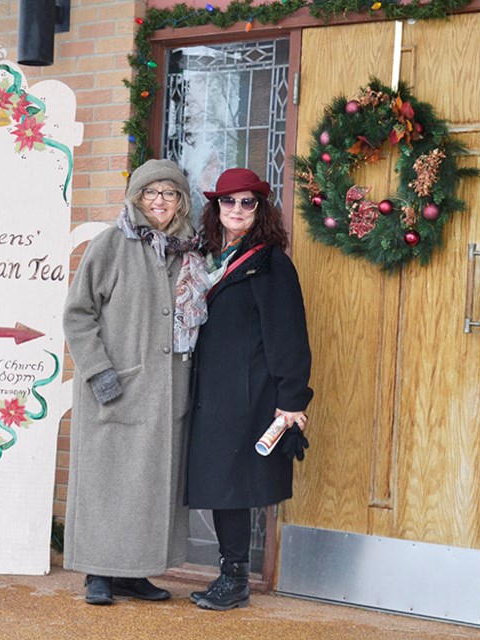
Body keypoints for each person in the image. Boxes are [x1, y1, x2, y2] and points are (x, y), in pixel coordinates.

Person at [62, 159, 209, 606]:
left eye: (169, 194)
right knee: (107, 483)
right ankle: (98, 574)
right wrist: (99, 371)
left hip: (167, 391)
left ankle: (135, 572)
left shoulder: (191, 252)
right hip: (117, 387)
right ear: (137, 199)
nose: (159, 202)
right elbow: (78, 313)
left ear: (181, 202)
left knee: (149, 486)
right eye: (151, 194)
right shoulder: (112, 244)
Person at [185, 168, 313, 611]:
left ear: (260, 210)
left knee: (231, 484)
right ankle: (231, 573)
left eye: (247, 202)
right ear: (215, 208)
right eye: (227, 201)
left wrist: (292, 399)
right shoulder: (206, 258)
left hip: (248, 393)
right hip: (211, 392)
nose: (236, 209)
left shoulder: (270, 263)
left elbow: (289, 335)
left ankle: (234, 578)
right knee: (221, 481)